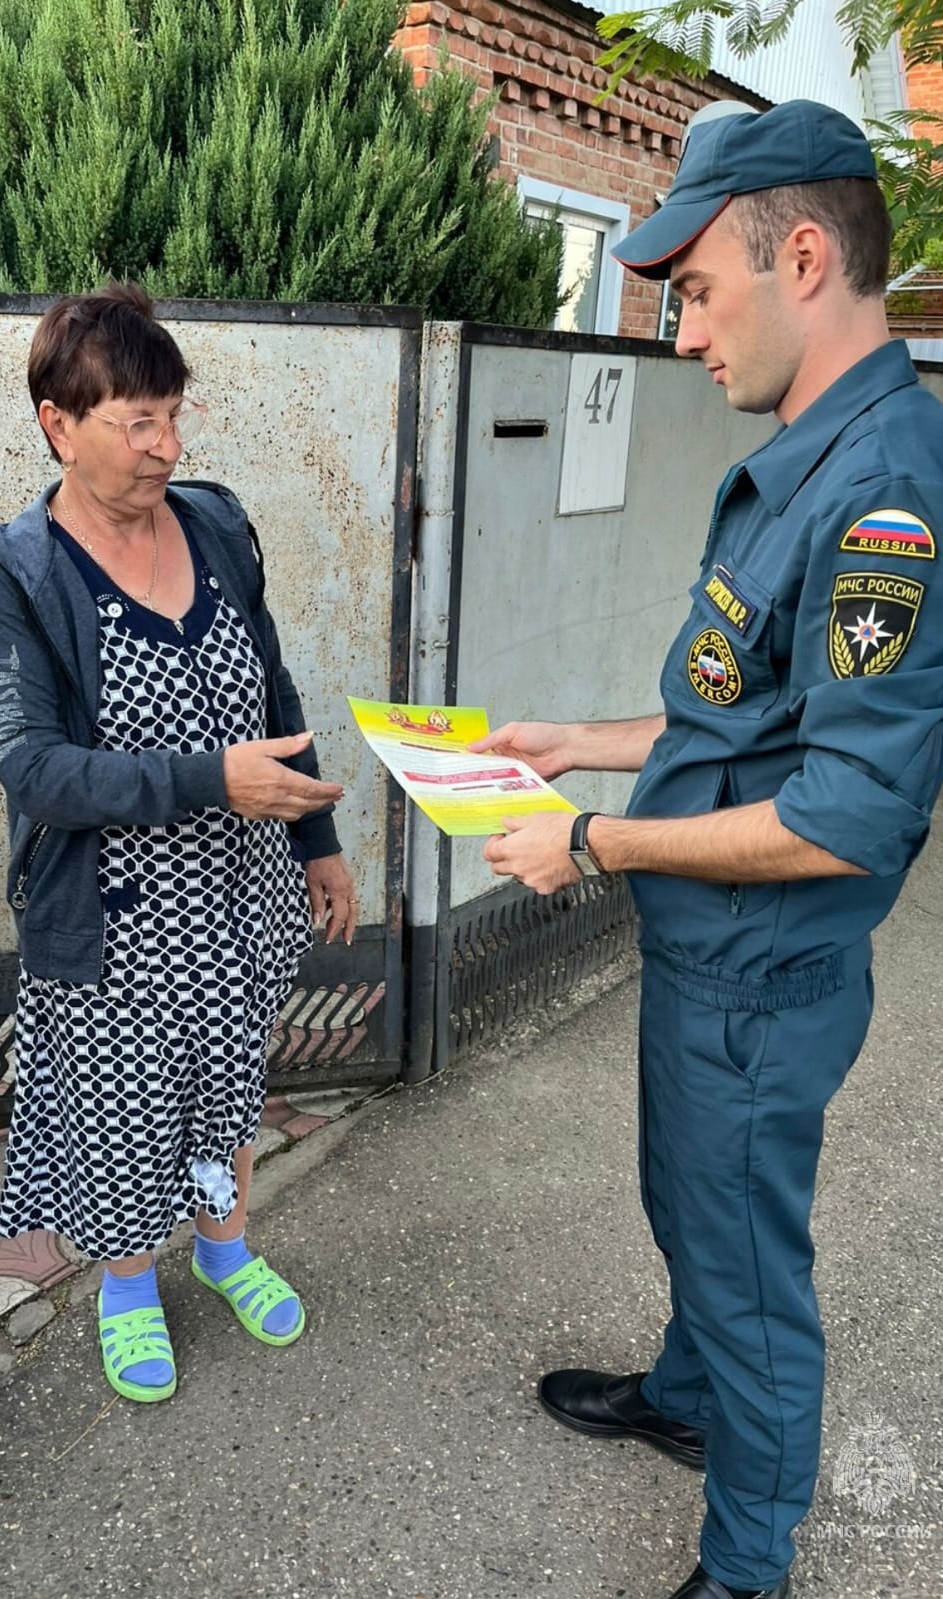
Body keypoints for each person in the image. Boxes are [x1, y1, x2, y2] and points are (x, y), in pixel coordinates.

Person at [474, 100, 943, 1599]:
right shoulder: (814, 450)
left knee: (747, 1279)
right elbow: (741, 716)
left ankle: (748, 1564)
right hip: (710, 958)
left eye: (692, 293)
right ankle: (687, 1398)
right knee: (690, 1211)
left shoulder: (882, 491)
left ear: (800, 258)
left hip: (760, 979)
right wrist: (576, 741)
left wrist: (594, 840)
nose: (681, 336)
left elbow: (841, 813)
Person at [0, 282, 357, 1405]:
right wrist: (208, 780)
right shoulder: (22, 572)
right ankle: (128, 1284)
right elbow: (32, 768)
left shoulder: (218, 526)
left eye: (174, 416)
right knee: (125, 1114)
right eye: (137, 422)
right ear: (59, 424)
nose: (166, 447)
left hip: (241, 895)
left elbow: (273, 691)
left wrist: (318, 838)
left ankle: (226, 1247)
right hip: (116, 919)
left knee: (232, 1081)